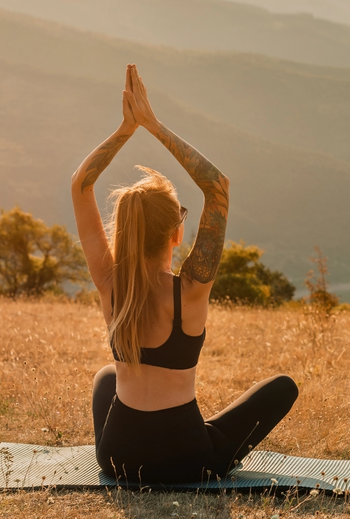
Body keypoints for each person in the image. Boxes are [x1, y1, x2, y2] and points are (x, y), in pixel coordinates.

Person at [71, 64, 298, 484]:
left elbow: (81, 185)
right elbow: (217, 185)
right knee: (283, 387)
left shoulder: (110, 284)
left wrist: (127, 129)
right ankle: (188, 430)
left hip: (117, 458)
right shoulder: (191, 290)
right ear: (177, 233)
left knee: (107, 377)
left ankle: (152, 430)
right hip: (189, 458)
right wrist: (154, 125)